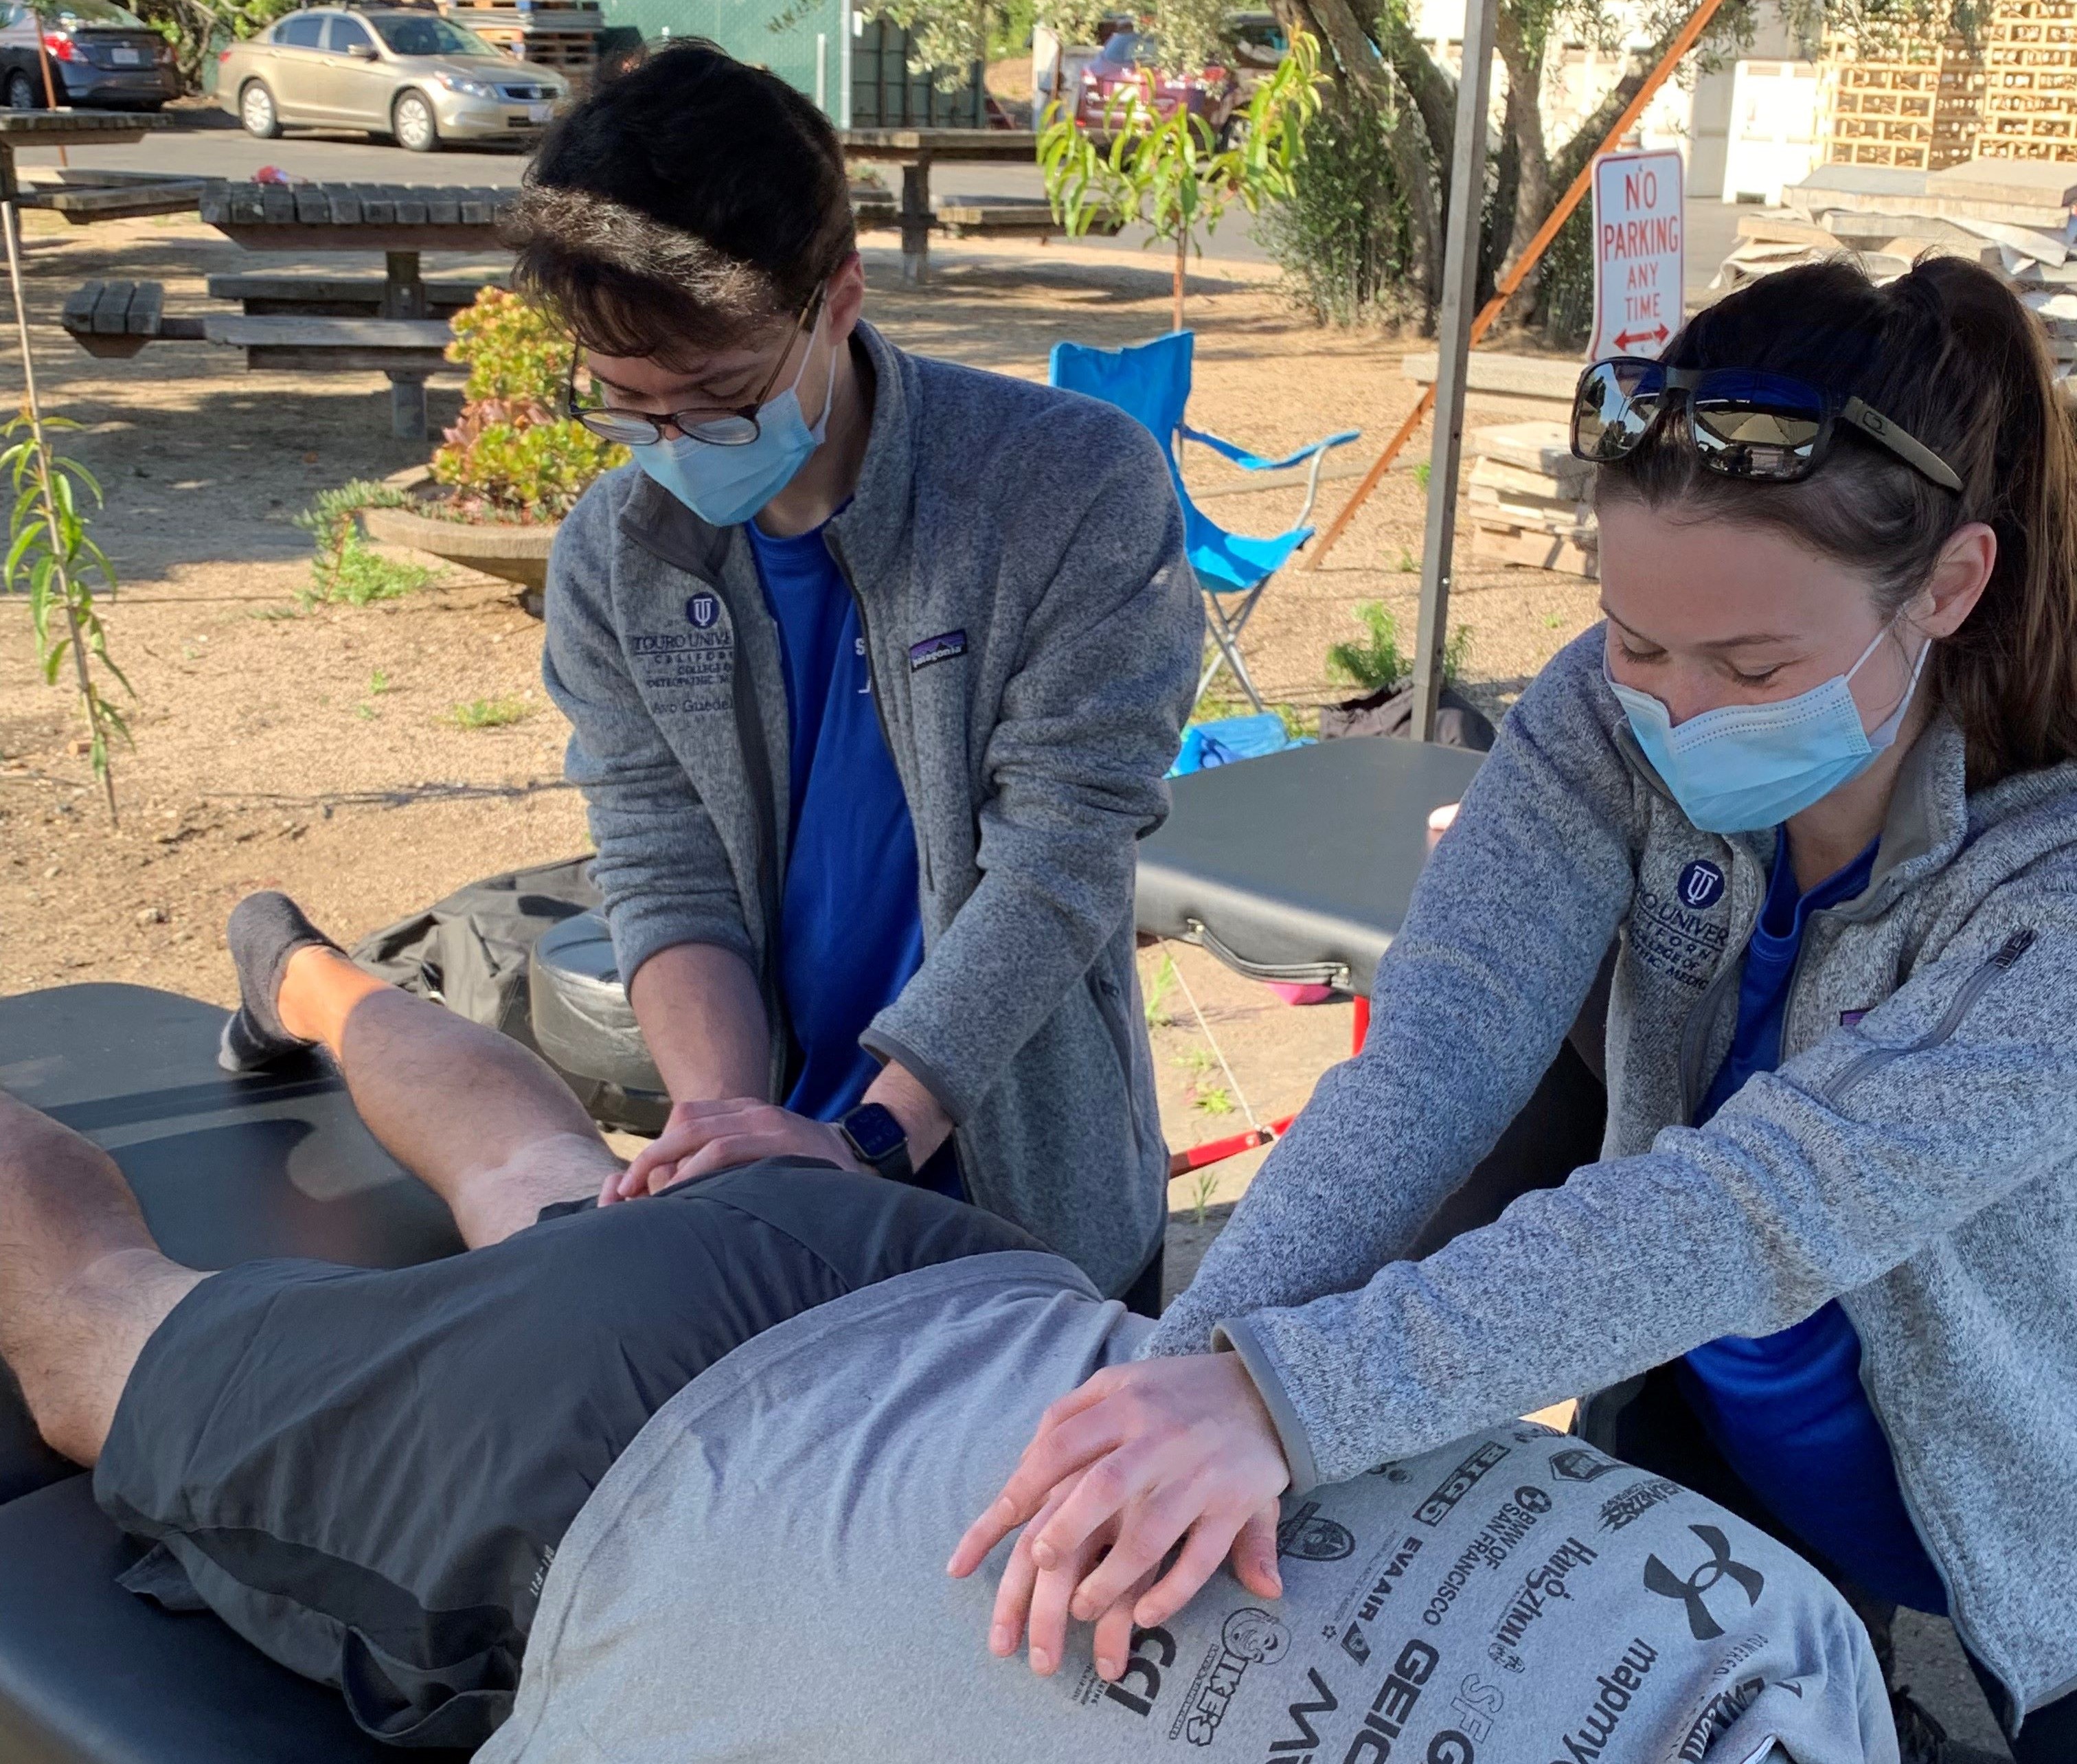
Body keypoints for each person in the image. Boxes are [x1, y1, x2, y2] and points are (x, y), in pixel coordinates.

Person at [953, 256, 2077, 1763]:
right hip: (1742, 1426)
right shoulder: (1601, 717)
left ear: (1952, 585)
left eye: (1755, 665)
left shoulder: (2050, 893)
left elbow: (1762, 1205)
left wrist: (1292, 1397)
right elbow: (1437, 1050)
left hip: (2034, 1495)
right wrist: (1186, 1379)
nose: (1675, 711)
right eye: (1635, 639)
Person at [0, 896, 1895, 1761]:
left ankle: (312, 976)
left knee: (561, 1195)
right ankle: (310, 987)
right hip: (624, 1466)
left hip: (938, 1287)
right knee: (99, 1337)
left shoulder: (1807, 1656)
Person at [495, 43, 1200, 1304]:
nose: (673, 446)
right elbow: (665, 863)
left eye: (718, 397)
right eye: (624, 405)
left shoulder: (1066, 489)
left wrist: (867, 1137)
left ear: (839, 296)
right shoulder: (618, 554)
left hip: (1028, 1196)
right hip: (781, 1187)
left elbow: (1062, 859)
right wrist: (730, 1134)